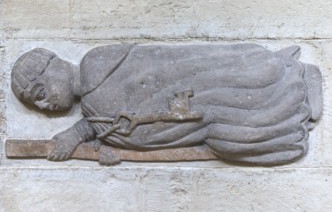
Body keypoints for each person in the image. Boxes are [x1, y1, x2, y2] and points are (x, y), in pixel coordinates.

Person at [11, 43, 322, 165]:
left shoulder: (96, 63)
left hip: (196, 90)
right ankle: (290, 116)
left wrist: (81, 134)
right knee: (235, 138)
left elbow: (162, 65)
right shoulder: (93, 104)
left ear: (54, 66)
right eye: (37, 105)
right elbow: (109, 120)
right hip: (194, 122)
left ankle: (295, 79)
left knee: (244, 87)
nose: (45, 105)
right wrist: (79, 135)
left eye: (40, 91)